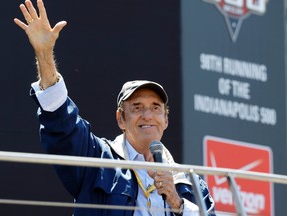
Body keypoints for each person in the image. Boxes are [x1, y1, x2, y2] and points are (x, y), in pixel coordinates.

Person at [14, 0, 216, 215]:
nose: (147, 115)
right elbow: (61, 120)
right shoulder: (98, 158)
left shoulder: (190, 182)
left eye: (156, 107)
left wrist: (177, 203)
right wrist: (45, 53)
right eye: (137, 107)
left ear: (166, 119)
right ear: (121, 119)